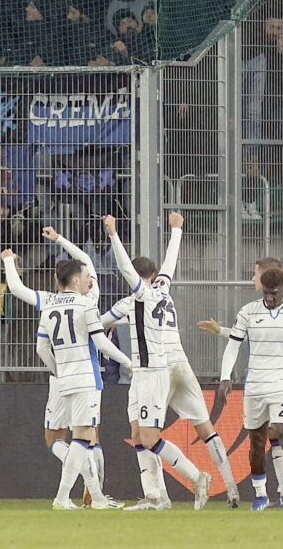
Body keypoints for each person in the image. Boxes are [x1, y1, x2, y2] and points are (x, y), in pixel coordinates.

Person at [101, 214, 212, 511]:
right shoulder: (157, 290)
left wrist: (113, 235)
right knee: (138, 434)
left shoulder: (142, 295)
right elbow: (169, 266)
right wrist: (176, 231)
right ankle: (155, 497)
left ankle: (197, 476)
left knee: (149, 436)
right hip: (140, 374)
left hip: (153, 373)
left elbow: (126, 268)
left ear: (137, 280)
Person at [2, 225, 116, 504]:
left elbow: (16, 288)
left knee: (55, 439)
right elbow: (87, 263)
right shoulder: (89, 298)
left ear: (57, 278)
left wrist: (8, 260)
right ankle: (95, 490)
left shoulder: (49, 301)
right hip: (86, 374)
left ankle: (89, 490)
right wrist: (61, 239)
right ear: (81, 279)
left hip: (60, 374)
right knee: (89, 435)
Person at [199, 256, 283, 505]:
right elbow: (240, 340)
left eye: (255, 274)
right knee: (262, 440)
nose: (253, 280)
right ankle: (267, 494)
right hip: (255, 384)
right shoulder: (249, 311)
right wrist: (225, 377)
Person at [36, 254, 132, 509]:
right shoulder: (85, 305)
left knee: (84, 435)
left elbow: (41, 348)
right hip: (86, 377)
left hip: (64, 378)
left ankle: (97, 497)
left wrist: (58, 368)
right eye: (85, 276)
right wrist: (128, 362)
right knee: (82, 436)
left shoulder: (49, 307)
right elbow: (100, 342)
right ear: (76, 280)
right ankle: (62, 497)